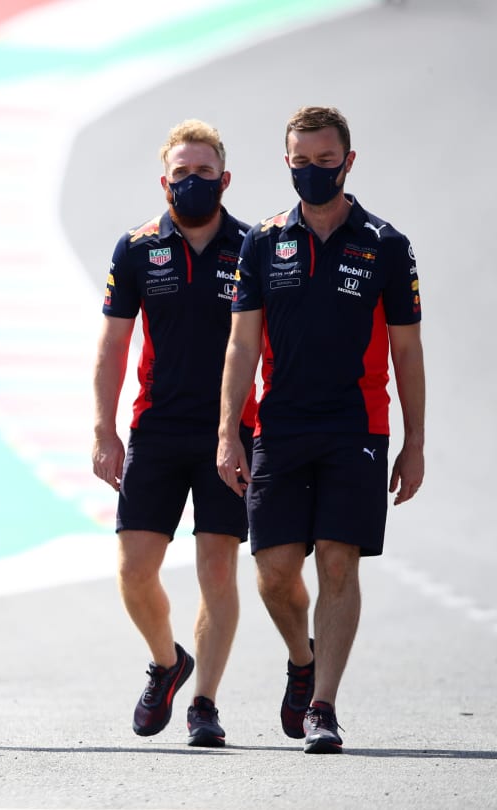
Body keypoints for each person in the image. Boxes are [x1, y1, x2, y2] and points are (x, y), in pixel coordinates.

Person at [217, 106, 424, 755]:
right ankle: (301, 660)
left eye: (325, 161)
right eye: (300, 162)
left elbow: (407, 350)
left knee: (339, 561)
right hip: (278, 427)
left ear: (348, 162)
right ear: (287, 164)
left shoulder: (386, 245)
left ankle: (323, 707)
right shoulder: (262, 241)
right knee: (274, 573)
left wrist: (414, 443)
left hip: (356, 426)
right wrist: (229, 432)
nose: (313, 172)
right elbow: (241, 347)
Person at [92, 119, 256, 748]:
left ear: (225, 179)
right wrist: (104, 429)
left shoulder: (255, 246)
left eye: (204, 173)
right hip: (155, 429)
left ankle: (205, 705)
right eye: (182, 174)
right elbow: (112, 344)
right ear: (164, 181)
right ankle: (168, 663)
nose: (192, 183)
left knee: (218, 568)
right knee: (135, 569)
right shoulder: (135, 249)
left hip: (231, 432)